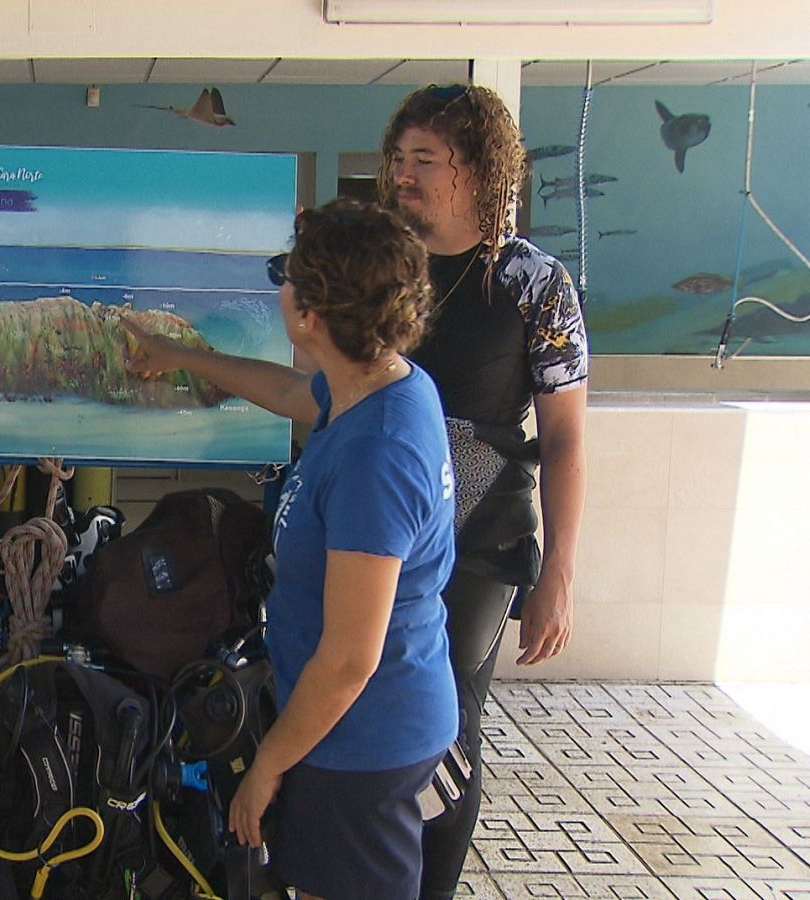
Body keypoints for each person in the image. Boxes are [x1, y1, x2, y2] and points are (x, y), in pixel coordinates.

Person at [127, 198, 457, 898]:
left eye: (286, 274)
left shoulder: (378, 454)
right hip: (353, 728)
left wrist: (268, 768)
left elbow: (347, 661)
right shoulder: (376, 383)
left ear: (309, 316)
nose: (278, 285)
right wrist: (179, 356)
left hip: (361, 741)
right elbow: (284, 388)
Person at [380, 83, 588, 900]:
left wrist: (558, 575)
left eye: (423, 160)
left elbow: (567, 439)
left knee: (446, 729)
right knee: (364, 709)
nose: (403, 174)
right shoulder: (381, 267)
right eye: (397, 157)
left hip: (480, 534)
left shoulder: (534, 284)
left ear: (476, 169)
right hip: (378, 523)